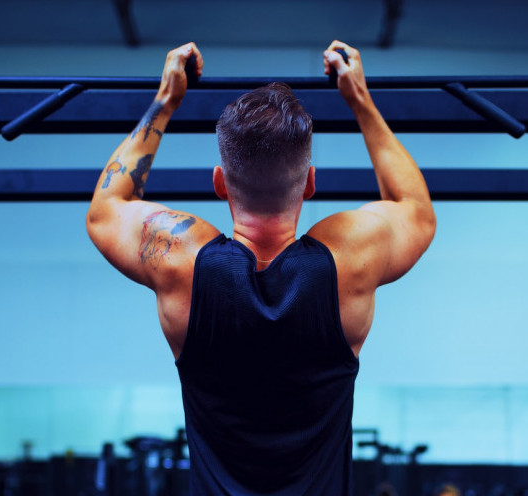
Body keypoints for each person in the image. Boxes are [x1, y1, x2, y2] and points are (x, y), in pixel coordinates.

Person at [86, 40, 436, 495]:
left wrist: (166, 98)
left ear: (218, 182)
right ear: (310, 182)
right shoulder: (350, 258)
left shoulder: (181, 261)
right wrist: (360, 101)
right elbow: (414, 208)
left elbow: (107, 208)